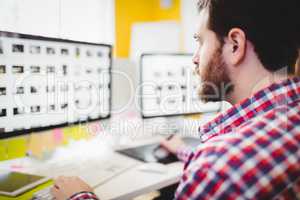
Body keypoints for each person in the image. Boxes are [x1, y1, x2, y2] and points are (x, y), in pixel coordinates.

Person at [51, 0, 300, 199]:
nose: (194, 58)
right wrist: (185, 150)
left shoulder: (219, 167)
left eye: (201, 42)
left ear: (235, 45)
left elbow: (221, 167)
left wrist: (79, 197)